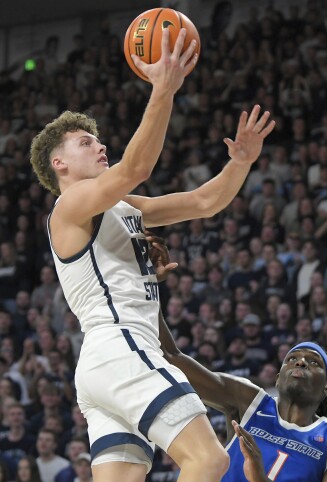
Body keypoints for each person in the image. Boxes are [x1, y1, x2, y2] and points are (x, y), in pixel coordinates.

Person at [29, 28, 274, 482]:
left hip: (105, 365)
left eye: (98, 140)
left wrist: (239, 163)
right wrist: (163, 89)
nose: (100, 146)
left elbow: (203, 203)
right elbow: (137, 168)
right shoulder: (69, 206)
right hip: (121, 346)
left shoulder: (119, 208)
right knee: (210, 460)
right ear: (58, 163)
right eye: (86, 142)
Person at [159, 319, 327, 482]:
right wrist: (147, 282)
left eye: (314, 362)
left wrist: (259, 478)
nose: (300, 362)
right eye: (291, 359)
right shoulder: (249, 401)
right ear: (278, 378)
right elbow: (171, 357)